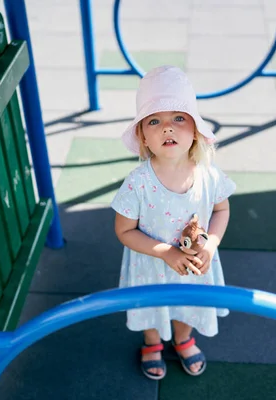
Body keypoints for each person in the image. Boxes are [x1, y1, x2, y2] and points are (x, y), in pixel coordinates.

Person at [111, 65, 236, 380]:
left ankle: (183, 338)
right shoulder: (139, 182)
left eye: (178, 118)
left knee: (189, 301)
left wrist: (212, 242)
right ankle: (151, 343)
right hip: (151, 264)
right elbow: (124, 231)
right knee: (152, 305)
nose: (168, 128)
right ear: (143, 136)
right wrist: (166, 251)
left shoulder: (207, 173)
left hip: (195, 261)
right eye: (155, 121)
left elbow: (221, 210)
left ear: (195, 128)